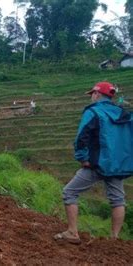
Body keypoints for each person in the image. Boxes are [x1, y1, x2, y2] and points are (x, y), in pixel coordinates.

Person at [54, 81, 133, 244]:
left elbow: (82, 137)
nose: (91, 97)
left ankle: (72, 232)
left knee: (69, 192)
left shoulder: (93, 112)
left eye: (92, 94)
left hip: (97, 164)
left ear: (97, 94)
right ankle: (114, 239)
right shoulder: (124, 114)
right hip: (118, 165)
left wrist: (82, 157)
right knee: (118, 200)